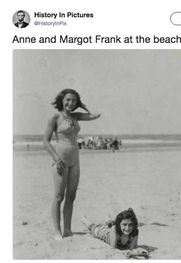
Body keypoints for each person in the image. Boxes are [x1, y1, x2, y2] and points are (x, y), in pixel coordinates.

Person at [43, 89, 100, 240]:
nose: (70, 103)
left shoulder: (76, 117)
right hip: (60, 159)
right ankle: (57, 231)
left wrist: (83, 106)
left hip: (75, 159)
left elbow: (95, 115)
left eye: (74, 101)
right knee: (58, 196)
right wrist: (56, 159)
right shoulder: (55, 117)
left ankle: (67, 230)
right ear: (62, 99)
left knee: (71, 196)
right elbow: (45, 141)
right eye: (68, 99)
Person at [81, 208, 149, 258]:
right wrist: (126, 252)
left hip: (117, 228)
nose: (128, 228)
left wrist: (137, 252)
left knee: (112, 224)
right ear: (119, 224)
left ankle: (109, 220)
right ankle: (84, 220)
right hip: (106, 234)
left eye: (131, 225)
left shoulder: (135, 231)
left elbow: (132, 248)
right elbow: (113, 249)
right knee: (94, 228)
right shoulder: (115, 230)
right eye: (125, 224)